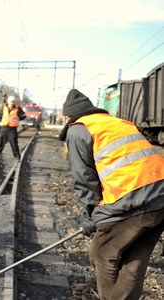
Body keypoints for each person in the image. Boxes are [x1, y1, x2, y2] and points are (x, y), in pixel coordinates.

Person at [60, 88, 164, 300]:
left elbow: (84, 179)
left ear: (69, 116)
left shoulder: (79, 129)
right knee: (133, 262)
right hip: (161, 197)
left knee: (101, 254)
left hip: (131, 197)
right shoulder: (117, 123)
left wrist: (92, 215)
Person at [0, 95, 26, 161]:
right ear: (8, 102)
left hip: (12, 129)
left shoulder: (18, 109)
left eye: (13, 102)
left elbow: (23, 116)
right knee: (0, 143)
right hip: (4, 128)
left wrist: (18, 119)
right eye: (11, 102)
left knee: (14, 144)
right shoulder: (4, 108)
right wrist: (0, 122)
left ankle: (17, 157)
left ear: (15, 102)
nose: (12, 103)